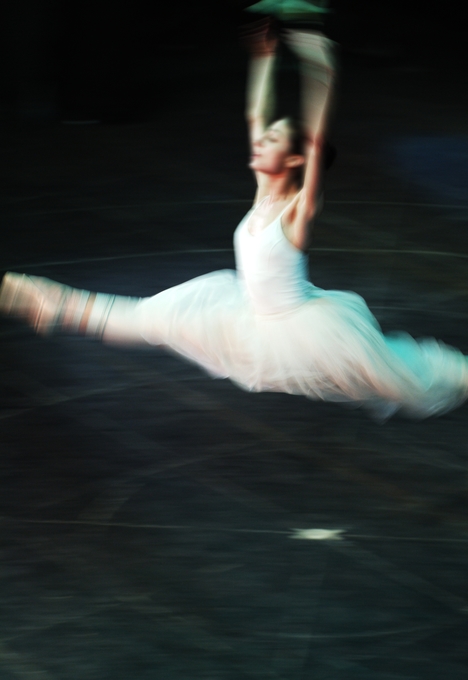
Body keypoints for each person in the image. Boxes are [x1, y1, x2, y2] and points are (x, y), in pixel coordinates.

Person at [0, 25, 467, 421]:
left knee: (405, 381)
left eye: (273, 140)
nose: (260, 142)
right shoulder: (264, 194)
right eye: (263, 138)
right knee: (151, 318)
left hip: (298, 329)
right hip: (242, 312)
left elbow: (319, 138)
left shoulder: (295, 210)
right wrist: (263, 59)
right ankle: (54, 302)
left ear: (294, 158)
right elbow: (254, 114)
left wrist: (318, 66)